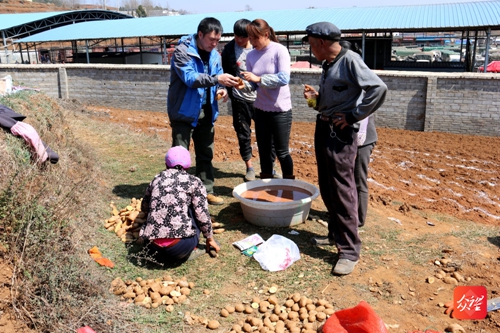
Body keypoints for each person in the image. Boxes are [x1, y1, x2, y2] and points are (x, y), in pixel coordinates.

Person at [303, 22, 387, 275]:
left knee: (343, 190)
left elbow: (378, 88)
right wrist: (316, 99)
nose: (310, 48)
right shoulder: (328, 65)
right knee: (328, 188)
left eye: (310, 43)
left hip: (340, 133)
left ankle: (349, 251)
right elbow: (336, 97)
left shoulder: (350, 60)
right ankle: (334, 234)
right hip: (324, 128)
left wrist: (354, 116)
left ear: (321, 43)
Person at [167, 17, 239, 205]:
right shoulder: (182, 52)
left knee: (206, 153)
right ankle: (177, 196)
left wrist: (221, 89)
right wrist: (218, 80)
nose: (214, 44)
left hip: (207, 110)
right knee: (179, 156)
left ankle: (206, 191)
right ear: (200, 35)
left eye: (217, 40)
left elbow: (218, 74)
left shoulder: (214, 54)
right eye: (211, 40)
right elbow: (190, 79)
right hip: (184, 111)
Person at [221, 19, 280, 182]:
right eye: (237, 36)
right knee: (243, 133)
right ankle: (249, 167)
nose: (240, 40)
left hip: (261, 99)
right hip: (240, 100)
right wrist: (227, 89)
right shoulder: (228, 50)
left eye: (244, 37)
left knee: (268, 134)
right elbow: (225, 72)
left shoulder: (260, 47)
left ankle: (270, 167)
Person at [138, 146, 220, 262]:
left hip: (151, 247)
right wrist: (210, 238)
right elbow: (202, 214)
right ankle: (190, 250)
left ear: (166, 165)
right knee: (194, 207)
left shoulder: (157, 179)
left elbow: (144, 207)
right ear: (188, 166)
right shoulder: (194, 181)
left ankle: (162, 249)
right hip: (180, 248)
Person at [241, 19, 294, 180]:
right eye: (249, 38)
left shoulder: (280, 51)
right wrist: (242, 85)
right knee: (263, 150)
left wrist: (258, 79)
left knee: (282, 151)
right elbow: (253, 85)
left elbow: (284, 78)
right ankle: (265, 184)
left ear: (266, 34)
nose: (251, 42)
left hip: (280, 110)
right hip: (261, 109)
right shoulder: (251, 55)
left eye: (255, 38)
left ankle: (289, 186)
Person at [339, 40, 378, 228]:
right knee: (347, 178)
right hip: (348, 135)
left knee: (359, 178)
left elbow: (366, 108)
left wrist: (359, 137)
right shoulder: (343, 73)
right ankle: (349, 214)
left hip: (363, 137)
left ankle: (359, 220)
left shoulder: (360, 74)